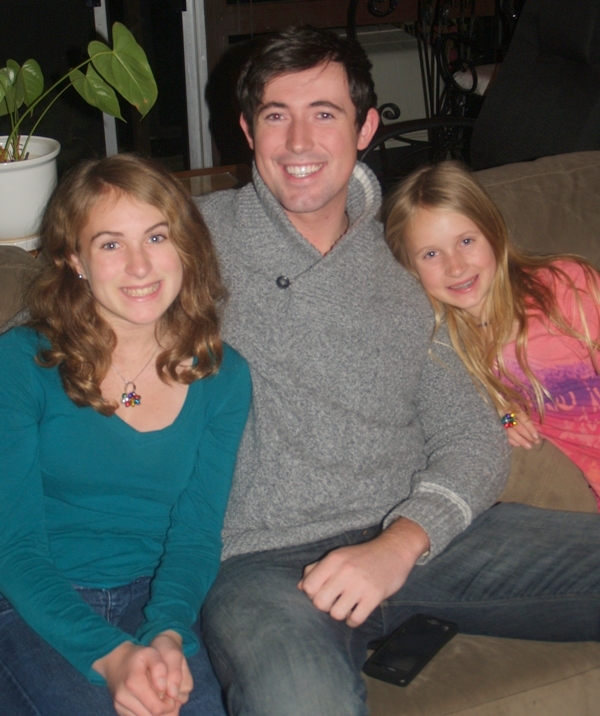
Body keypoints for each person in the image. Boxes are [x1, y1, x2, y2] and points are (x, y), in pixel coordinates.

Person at [196, 25, 600, 716]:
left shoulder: (408, 270)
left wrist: (401, 541)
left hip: (423, 537)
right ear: (246, 130)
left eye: (325, 114)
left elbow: (471, 438)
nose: (298, 141)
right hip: (260, 565)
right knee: (299, 700)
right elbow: (57, 345)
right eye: (276, 115)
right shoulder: (184, 240)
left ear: (366, 128)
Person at [0, 154, 251, 716]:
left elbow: (195, 537)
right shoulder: (20, 364)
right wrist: (110, 656)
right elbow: (14, 549)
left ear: (185, 246)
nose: (140, 266)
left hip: (156, 598)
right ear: (75, 259)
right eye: (111, 244)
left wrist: (167, 633)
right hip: (34, 600)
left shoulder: (224, 376)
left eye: (156, 237)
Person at [384, 160, 600, 509]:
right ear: (409, 267)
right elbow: (484, 414)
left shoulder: (565, 285)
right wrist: (507, 417)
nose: (456, 266)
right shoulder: (441, 346)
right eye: (431, 254)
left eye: (466, 241)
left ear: (494, 233)